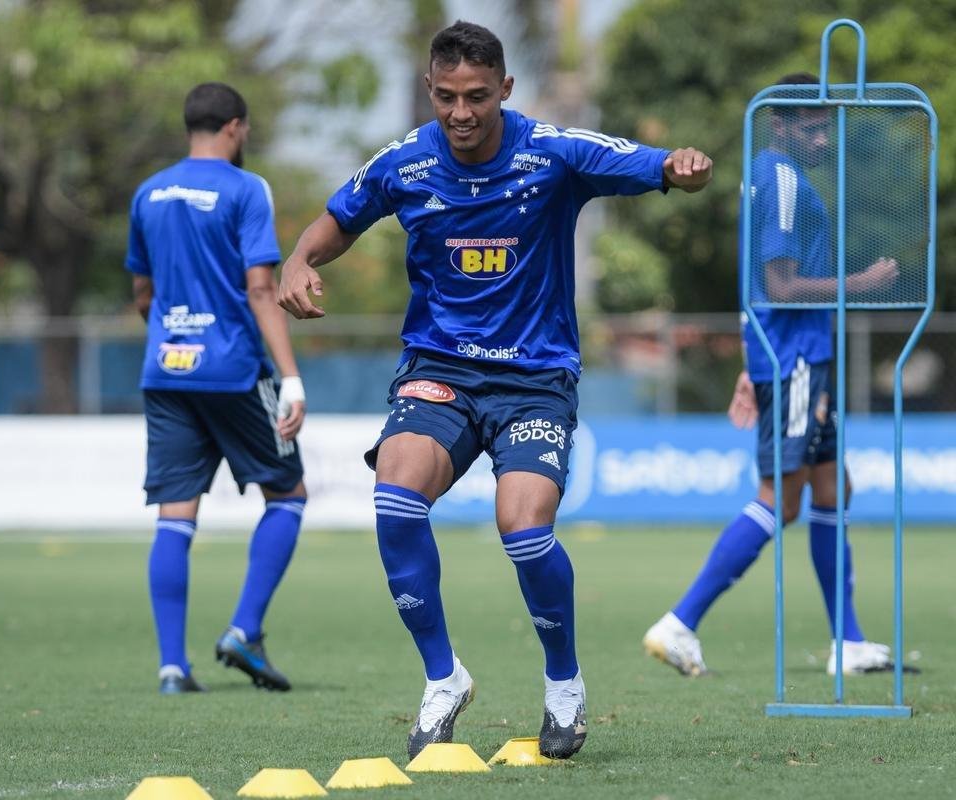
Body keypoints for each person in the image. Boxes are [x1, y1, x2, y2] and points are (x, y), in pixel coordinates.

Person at [278, 21, 711, 759]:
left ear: (504, 90)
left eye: (477, 96)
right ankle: (443, 677)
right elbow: (333, 222)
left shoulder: (551, 153)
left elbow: (645, 162)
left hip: (534, 381)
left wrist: (678, 165)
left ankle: (565, 686)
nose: (461, 112)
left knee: (524, 528)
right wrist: (298, 262)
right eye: (446, 96)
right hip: (440, 371)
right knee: (394, 496)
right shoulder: (406, 163)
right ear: (430, 90)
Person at [643, 73, 898, 678]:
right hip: (796, 359)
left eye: (828, 125)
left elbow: (755, 286)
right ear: (780, 123)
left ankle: (850, 641)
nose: (824, 137)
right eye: (814, 125)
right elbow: (779, 285)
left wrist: (747, 359)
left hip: (801, 355)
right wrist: (857, 286)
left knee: (834, 489)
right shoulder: (779, 176)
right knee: (780, 501)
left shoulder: (777, 176)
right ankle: (679, 622)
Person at [126, 82, 308, 695]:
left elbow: (142, 294)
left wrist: (171, 339)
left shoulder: (148, 193)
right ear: (236, 127)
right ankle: (243, 630)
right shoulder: (245, 187)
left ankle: (172, 666)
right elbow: (261, 288)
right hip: (233, 370)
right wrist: (291, 378)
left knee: (175, 516)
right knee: (288, 493)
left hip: (166, 372)